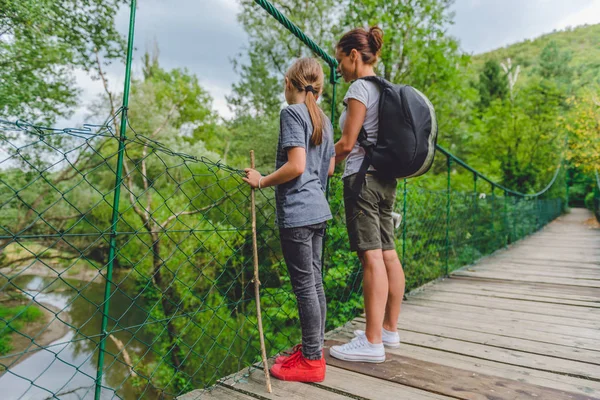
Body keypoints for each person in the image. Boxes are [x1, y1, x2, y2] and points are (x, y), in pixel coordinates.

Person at [243, 57, 335, 382]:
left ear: (288, 83)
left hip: (298, 213)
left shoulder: (292, 113)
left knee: (305, 288)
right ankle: (313, 350)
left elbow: (296, 165)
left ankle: (311, 362)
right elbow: (330, 168)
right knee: (316, 282)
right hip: (319, 210)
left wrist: (261, 180)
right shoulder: (323, 119)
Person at [329, 26, 406, 363]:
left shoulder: (360, 87)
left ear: (355, 56)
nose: (340, 69)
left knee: (371, 256)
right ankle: (388, 330)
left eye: (341, 61)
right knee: (388, 253)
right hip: (387, 180)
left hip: (363, 180)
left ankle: (372, 342)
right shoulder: (385, 88)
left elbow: (347, 143)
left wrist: (322, 161)